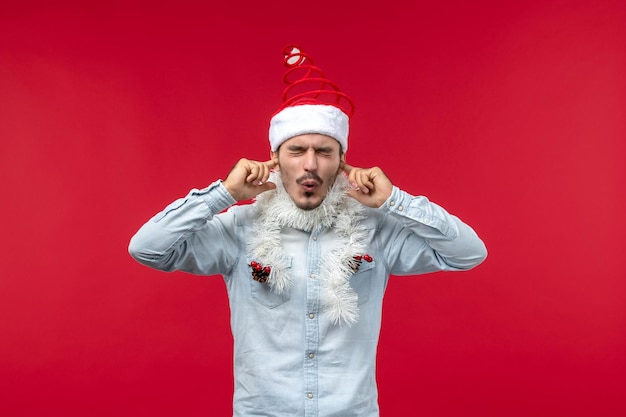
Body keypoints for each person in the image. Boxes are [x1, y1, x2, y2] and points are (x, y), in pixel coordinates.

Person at [128, 45, 487, 417]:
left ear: (341, 163)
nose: (310, 164)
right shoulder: (239, 228)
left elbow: (468, 253)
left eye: (324, 152)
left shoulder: (374, 230)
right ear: (275, 160)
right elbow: (148, 248)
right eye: (297, 150)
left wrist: (393, 201)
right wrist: (225, 194)